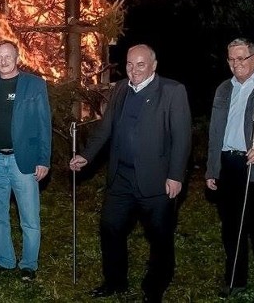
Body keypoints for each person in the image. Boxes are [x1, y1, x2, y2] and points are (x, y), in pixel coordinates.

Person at [70, 43, 192, 302]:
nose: (133, 70)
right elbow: (106, 127)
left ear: (153, 66)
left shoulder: (172, 91)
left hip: (156, 179)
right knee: (110, 227)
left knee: (159, 235)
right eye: (129, 64)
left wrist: (176, 175)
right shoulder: (121, 89)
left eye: (140, 64)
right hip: (121, 177)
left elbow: (182, 138)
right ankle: (115, 281)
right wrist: (86, 155)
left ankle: (155, 285)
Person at [205, 38, 254, 302]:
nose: (237, 64)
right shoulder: (223, 89)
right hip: (229, 164)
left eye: (242, 58)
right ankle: (236, 279)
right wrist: (212, 168)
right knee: (231, 228)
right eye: (232, 59)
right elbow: (215, 132)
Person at [0, 39, 52, 282]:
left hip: (23, 161)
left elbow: (43, 124)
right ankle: (4, 261)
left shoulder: (34, 85)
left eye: (8, 56)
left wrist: (43, 159)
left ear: (17, 58)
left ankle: (29, 264)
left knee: (29, 218)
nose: (4, 61)